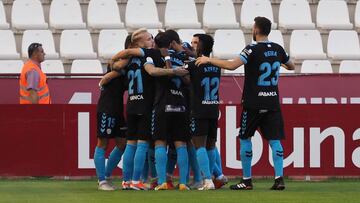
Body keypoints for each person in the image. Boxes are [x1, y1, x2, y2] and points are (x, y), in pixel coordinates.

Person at [196, 16, 295, 190]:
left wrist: (209, 60)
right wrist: (278, 62)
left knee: (245, 138)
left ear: (256, 29)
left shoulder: (251, 49)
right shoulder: (278, 48)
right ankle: (279, 178)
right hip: (272, 101)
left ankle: (247, 180)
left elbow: (233, 65)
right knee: (275, 140)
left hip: (253, 102)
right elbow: (292, 66)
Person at [111, 29, 188, 190]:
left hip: (131, 103)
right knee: (142, 143)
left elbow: (116, 66)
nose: (152, 40)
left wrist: (114, 61)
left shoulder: (129, 60)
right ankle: (136, 180)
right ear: (139, 44)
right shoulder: (149, 53)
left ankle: (126, 181)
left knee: (131, 143)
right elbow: (152, 71)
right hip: (145, 104)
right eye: (148, 38)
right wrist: (173, 70)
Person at [150, 30, 191, 191]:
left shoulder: (155, 56)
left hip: (163, 102)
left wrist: (167, 62)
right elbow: (188, 80)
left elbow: (155, 73)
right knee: (180, 144)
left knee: (160, 142)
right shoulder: (182, 56)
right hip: (180, 102)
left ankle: (162, 182)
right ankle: (182, 183)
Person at [93, 35, 132, 191]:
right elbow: (115, 68)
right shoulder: (119, 59)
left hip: (117, 108)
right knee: (102, 142)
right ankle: (101, 181)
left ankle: (107, 175)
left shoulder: (130, 65)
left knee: (122, 143)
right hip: (107, 107)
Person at [186, 34, 220, 190]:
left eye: (196, 43)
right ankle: (212, 177)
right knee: (211, 145)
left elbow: (184, 77)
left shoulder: (194, 65)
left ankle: (207, 180)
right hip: (213, 108)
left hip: (198, 109)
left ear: (201, 46)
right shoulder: (217, 65)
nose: (193, 46)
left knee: (199, 145)